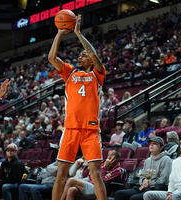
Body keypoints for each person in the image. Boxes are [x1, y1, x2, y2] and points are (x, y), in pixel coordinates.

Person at [48, 14, 107, 200]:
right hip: (71, 128)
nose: (79, 57)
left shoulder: (97, 75)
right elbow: (51, 57)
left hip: (90, 129)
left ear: (90, 60)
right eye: (79, 55)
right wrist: (59, 33)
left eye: (83, 55)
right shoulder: (70, 72)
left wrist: (78, 34)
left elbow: (95, 56)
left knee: (96, 174)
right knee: (61, 174)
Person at [143, 135, 181, 200]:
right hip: (174, 193)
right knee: (147, 194)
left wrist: (173, 194)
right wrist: (169, 193)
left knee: (176, 194)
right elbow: (171, 180)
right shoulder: (176, 161)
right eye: (180, 143)